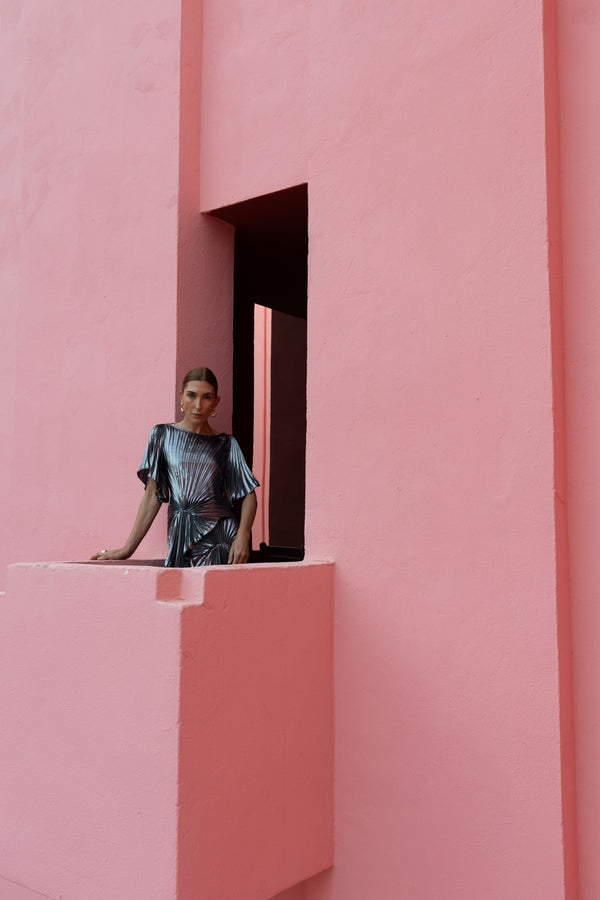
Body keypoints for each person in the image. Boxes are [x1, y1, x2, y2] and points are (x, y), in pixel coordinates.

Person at [91, 367, 258, 566]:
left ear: (216, 402)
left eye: (206, 397)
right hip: (181, 536)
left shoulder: (226, 444)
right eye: (191, 395)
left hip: (220, 539)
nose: (198, 405)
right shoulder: (162, 435)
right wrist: (128, 549)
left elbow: (249, 494)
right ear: (181, 397)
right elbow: (153, 494)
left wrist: (242, 537)